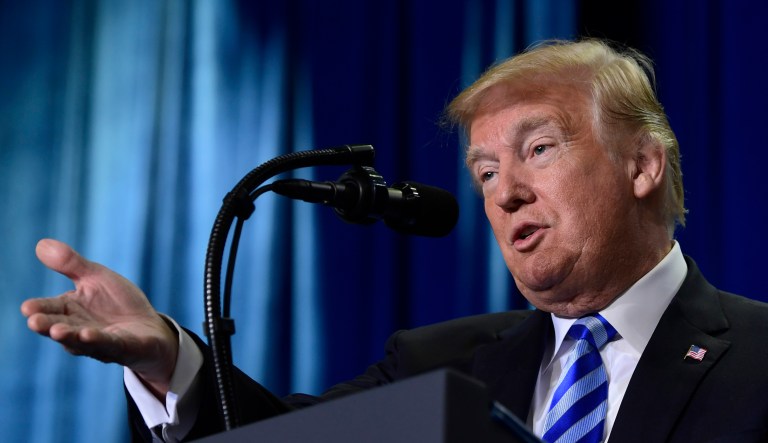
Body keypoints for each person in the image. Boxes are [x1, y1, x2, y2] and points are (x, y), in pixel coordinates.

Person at [21, 38, 768, 442]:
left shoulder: (759, 356)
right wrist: (166, 356)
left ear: (642, 164)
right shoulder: (437, 363)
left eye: (539, 149)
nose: (504, 192)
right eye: (484, 170)